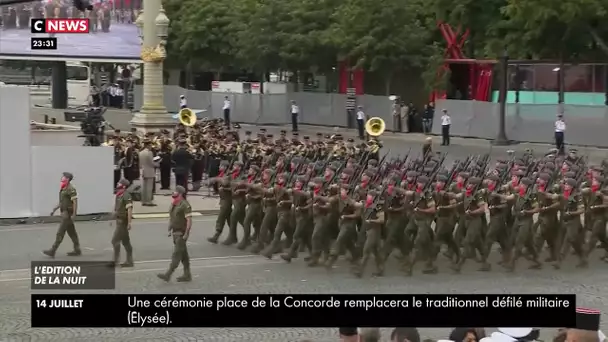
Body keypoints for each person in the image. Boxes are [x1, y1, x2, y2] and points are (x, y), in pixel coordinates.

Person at [158, 185, 192, 282]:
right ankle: (187, 274)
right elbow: (172, 218)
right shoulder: (174, 204)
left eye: (175, 191)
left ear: (180, 193)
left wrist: (186, 234)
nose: (173, 192)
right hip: (175, 232)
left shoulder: (185, 205)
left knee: (176, 255)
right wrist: (169, 229)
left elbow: (189, 220)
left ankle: (168, 274)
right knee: (184, 255)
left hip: (181, 233)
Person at [43, 172, 82, 258]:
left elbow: (75, 202)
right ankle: (77, 249)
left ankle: (53, 250)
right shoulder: (64, 188)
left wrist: (74, 214)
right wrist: (54, 209)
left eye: (63, 177)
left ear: (67, 179)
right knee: (72, 233)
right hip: (64, 213)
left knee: (60, 233)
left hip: (67, 214)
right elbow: (62, 202)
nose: (62, 178)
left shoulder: (70, 189)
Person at [109, 178, 134, 267]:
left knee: (115, 240)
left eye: (119, 183)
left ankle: (115, 261)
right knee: (126, 242)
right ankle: (129, 261)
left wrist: (129, 222)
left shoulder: (126, 195)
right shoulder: (119, 195)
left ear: (123, 186)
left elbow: (129, 209)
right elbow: (116, 209)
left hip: (123, 222)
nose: (117, 184)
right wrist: (112, 218)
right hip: (119, 220)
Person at [139, 139, 158, 206]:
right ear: (147, 145)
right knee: (149, 187)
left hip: (143, 170)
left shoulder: (140, 152)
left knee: (144, 187)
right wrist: (157, 163)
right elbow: (151, 163)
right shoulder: (149, 153)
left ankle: (143, 201)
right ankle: (148, 201)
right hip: (149, 171)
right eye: (150, 145)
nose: (151, 146)